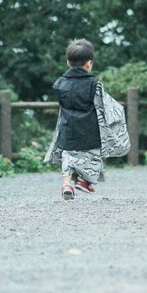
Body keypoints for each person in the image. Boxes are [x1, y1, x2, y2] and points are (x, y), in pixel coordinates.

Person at [45, 39, 103, 200]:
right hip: (89, 128)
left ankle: (67, 184)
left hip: (68, 126)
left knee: (68, 156)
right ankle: (85, 182)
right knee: (91, 154)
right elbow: (102, 105)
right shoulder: (94, 83)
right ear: (89, 64)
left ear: (68, 63)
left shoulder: (59, 83)